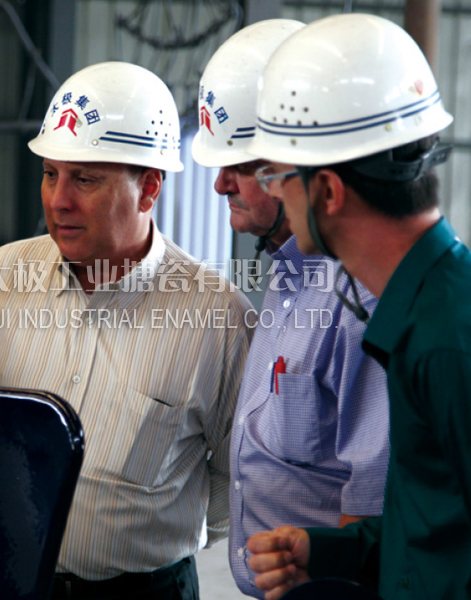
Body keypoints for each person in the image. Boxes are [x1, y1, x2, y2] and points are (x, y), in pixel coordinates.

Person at [0, 61, 254, 599]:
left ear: (148, 188)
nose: (58, 200)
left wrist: (141, 536)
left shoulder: (216, 319)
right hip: (4, 581)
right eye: (51, 174)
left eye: (85, 179)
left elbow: (232, 486)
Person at [242, 14, 467, 600]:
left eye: (279, 175)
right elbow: (435, 529)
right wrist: (331, 551)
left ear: (328, 191)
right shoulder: (420, 311)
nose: (271, 190)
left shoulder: (445, 339)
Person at [190, 19, 390, 599]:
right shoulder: (287, 273)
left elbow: (368, 503)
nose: (221, 185)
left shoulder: (357, 300)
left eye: (242, 166)